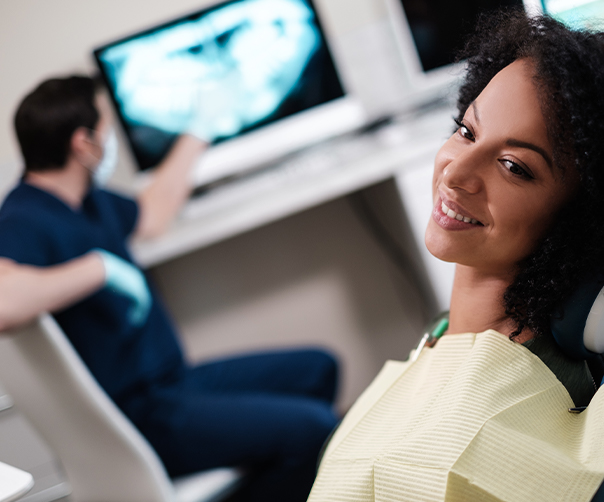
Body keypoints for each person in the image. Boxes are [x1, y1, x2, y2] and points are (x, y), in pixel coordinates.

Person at [308, 10, 604, 502]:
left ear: (581, 217)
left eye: (514, 166)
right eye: (466, 132)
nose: (455, 173)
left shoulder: (534, 410)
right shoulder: (445, 334)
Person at [0, 76, 339, 502]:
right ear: (83, 145)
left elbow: (153, 212)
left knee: (319, 369)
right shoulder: (22, 217)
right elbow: (3, 302)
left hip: (173, 382)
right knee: (313, 429)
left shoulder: (90, 199)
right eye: (105, 129)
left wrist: (200, 128)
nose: (111, 141)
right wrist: (98, 269)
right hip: (138, 413)